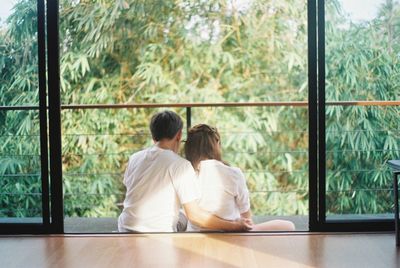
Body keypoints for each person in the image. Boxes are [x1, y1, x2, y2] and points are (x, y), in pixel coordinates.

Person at [118, 111, 252, 232]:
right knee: (186, 216)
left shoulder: (134, 158)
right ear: (179, 135)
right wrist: (235, 226)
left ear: (153, 135)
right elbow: (195, 216)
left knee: (182, 216)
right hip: (158, 234)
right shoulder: (180, 165)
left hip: (125, 228)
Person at [184, 124, 295, 232]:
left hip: (195, 235)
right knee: (289, 225)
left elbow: (192, 214)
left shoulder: (186, 174)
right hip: (231, 235)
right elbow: (247, 218)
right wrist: (237, 225)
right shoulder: (233, 173)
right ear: (217, 144)